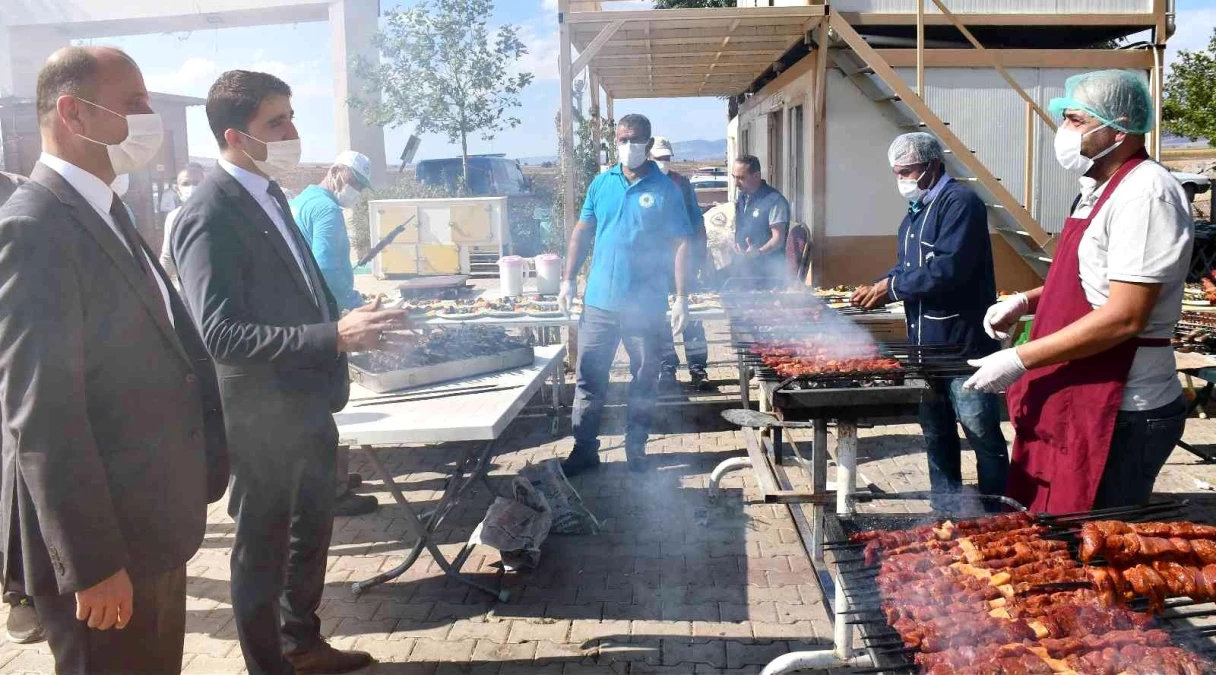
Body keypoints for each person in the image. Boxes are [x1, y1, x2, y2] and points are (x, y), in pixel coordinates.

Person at [0, 45, 228, 673]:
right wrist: (93, 564)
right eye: (134, 103)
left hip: (152, 528)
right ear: (74, 113)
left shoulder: (107, 208)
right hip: (109, 553)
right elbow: (42, 414)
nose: (150, 116)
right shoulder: (36, 227)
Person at [172, 69, 407, 675]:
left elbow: (301, 294)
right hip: (259, 420)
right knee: (262, 552)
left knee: (309, 537)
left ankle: (302, 644)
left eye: (292, 117)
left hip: (306, 404)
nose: (294, 132)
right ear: (234, 135)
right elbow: (219, 332)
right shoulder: (210, 212)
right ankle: (268, 665)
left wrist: (353, 322)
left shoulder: (273, 194)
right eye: (276, 122)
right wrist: (332, 335)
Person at [967, 70, 1193, 514]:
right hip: (1077, 388)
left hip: (1123, 405)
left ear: (1120, 125)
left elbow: (1125, 315)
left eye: (1075, 119)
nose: (1064, 131)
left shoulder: (1146, 194)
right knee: (1053, 531)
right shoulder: (1095, 190)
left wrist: (1019, 358)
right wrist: (1025, 302)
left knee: (1094, 547)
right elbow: (1086, 279)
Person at [851, 133, 1010, 513]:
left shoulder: (961, 203)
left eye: (906, 172)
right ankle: (947, 508)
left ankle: (997, 511)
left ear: (932, 166)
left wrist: (891, 288)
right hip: (925, 347)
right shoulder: (917, 210)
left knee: (981, 432)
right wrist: (882, 283)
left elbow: (947, 270)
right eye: (897, 172)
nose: (901, 180)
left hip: (962, 344)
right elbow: (910, 266)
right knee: (936, 432)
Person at [557, 114, 694, 475]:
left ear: (648, 144)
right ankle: (585, 449)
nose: (626, 146)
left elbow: (682, 242)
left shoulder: (665, 190)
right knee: (588, 379)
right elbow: (582, 232)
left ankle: (636, 449)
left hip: (645, 307)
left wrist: (681, 296)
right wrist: (568, 278)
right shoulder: (601, 184)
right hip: (599, 302)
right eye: (621, 139)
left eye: (633, 140)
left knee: (644, 379)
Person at [290, 151, 377, 518]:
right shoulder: (326, 210)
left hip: (300, 315)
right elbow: (329, 269)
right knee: (333, 401)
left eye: (360, 185)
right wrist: (356, 304)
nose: (355, 190)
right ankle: (334, 490)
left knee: (313, 404)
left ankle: (332, 478)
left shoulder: (301, 200)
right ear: (335, 172)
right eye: (353, 181)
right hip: (324, 317)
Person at [651, 137, 711, 392]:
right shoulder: (644, 185)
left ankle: (698, 369)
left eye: (667, 158)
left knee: (693, 316)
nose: (663, 163)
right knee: (661, 318)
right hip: (654, 265)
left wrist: (701, 258)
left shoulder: (682, 184)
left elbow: (698, 223)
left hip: (684, 261)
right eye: (658, 158)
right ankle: (667, 367)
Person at [730, 155, 790, 288]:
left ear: (756, 176)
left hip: (767, 275)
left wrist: (758, 253)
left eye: (741, 178)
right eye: (733, 177)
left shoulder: (774, 200)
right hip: (744, 271)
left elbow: (778, 238)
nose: (735, 183)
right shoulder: (742, 197)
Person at [159, 163, 205, 284]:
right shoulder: (173, 218)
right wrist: (158, 283)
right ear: (178, 190)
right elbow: (167, 257)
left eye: (196, 183)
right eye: (185, 184)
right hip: (186, 286)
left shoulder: (220, 212)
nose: (191, 188)